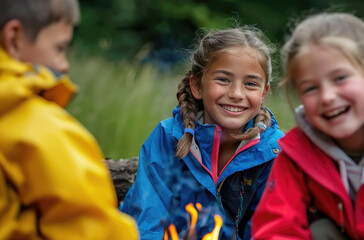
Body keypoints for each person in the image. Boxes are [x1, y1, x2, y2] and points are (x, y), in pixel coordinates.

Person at [252, 12, 364, 240]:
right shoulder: (296, 154)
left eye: (340, 78)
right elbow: (276, 229)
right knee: (319, 230)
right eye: (310, 88)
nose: (327, 96)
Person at [120, 26, 284, 240]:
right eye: (223, 79)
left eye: (250, 84)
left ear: (264, 93)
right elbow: (147, 221)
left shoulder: (274, 151)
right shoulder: (168, 137)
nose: (236, 93)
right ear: (197, 85)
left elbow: (268, 230)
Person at [0, 0, 138, 239]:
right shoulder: (39, 128)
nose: (64, 65)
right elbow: (95, 231)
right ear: (14, 39)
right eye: (59, 48)